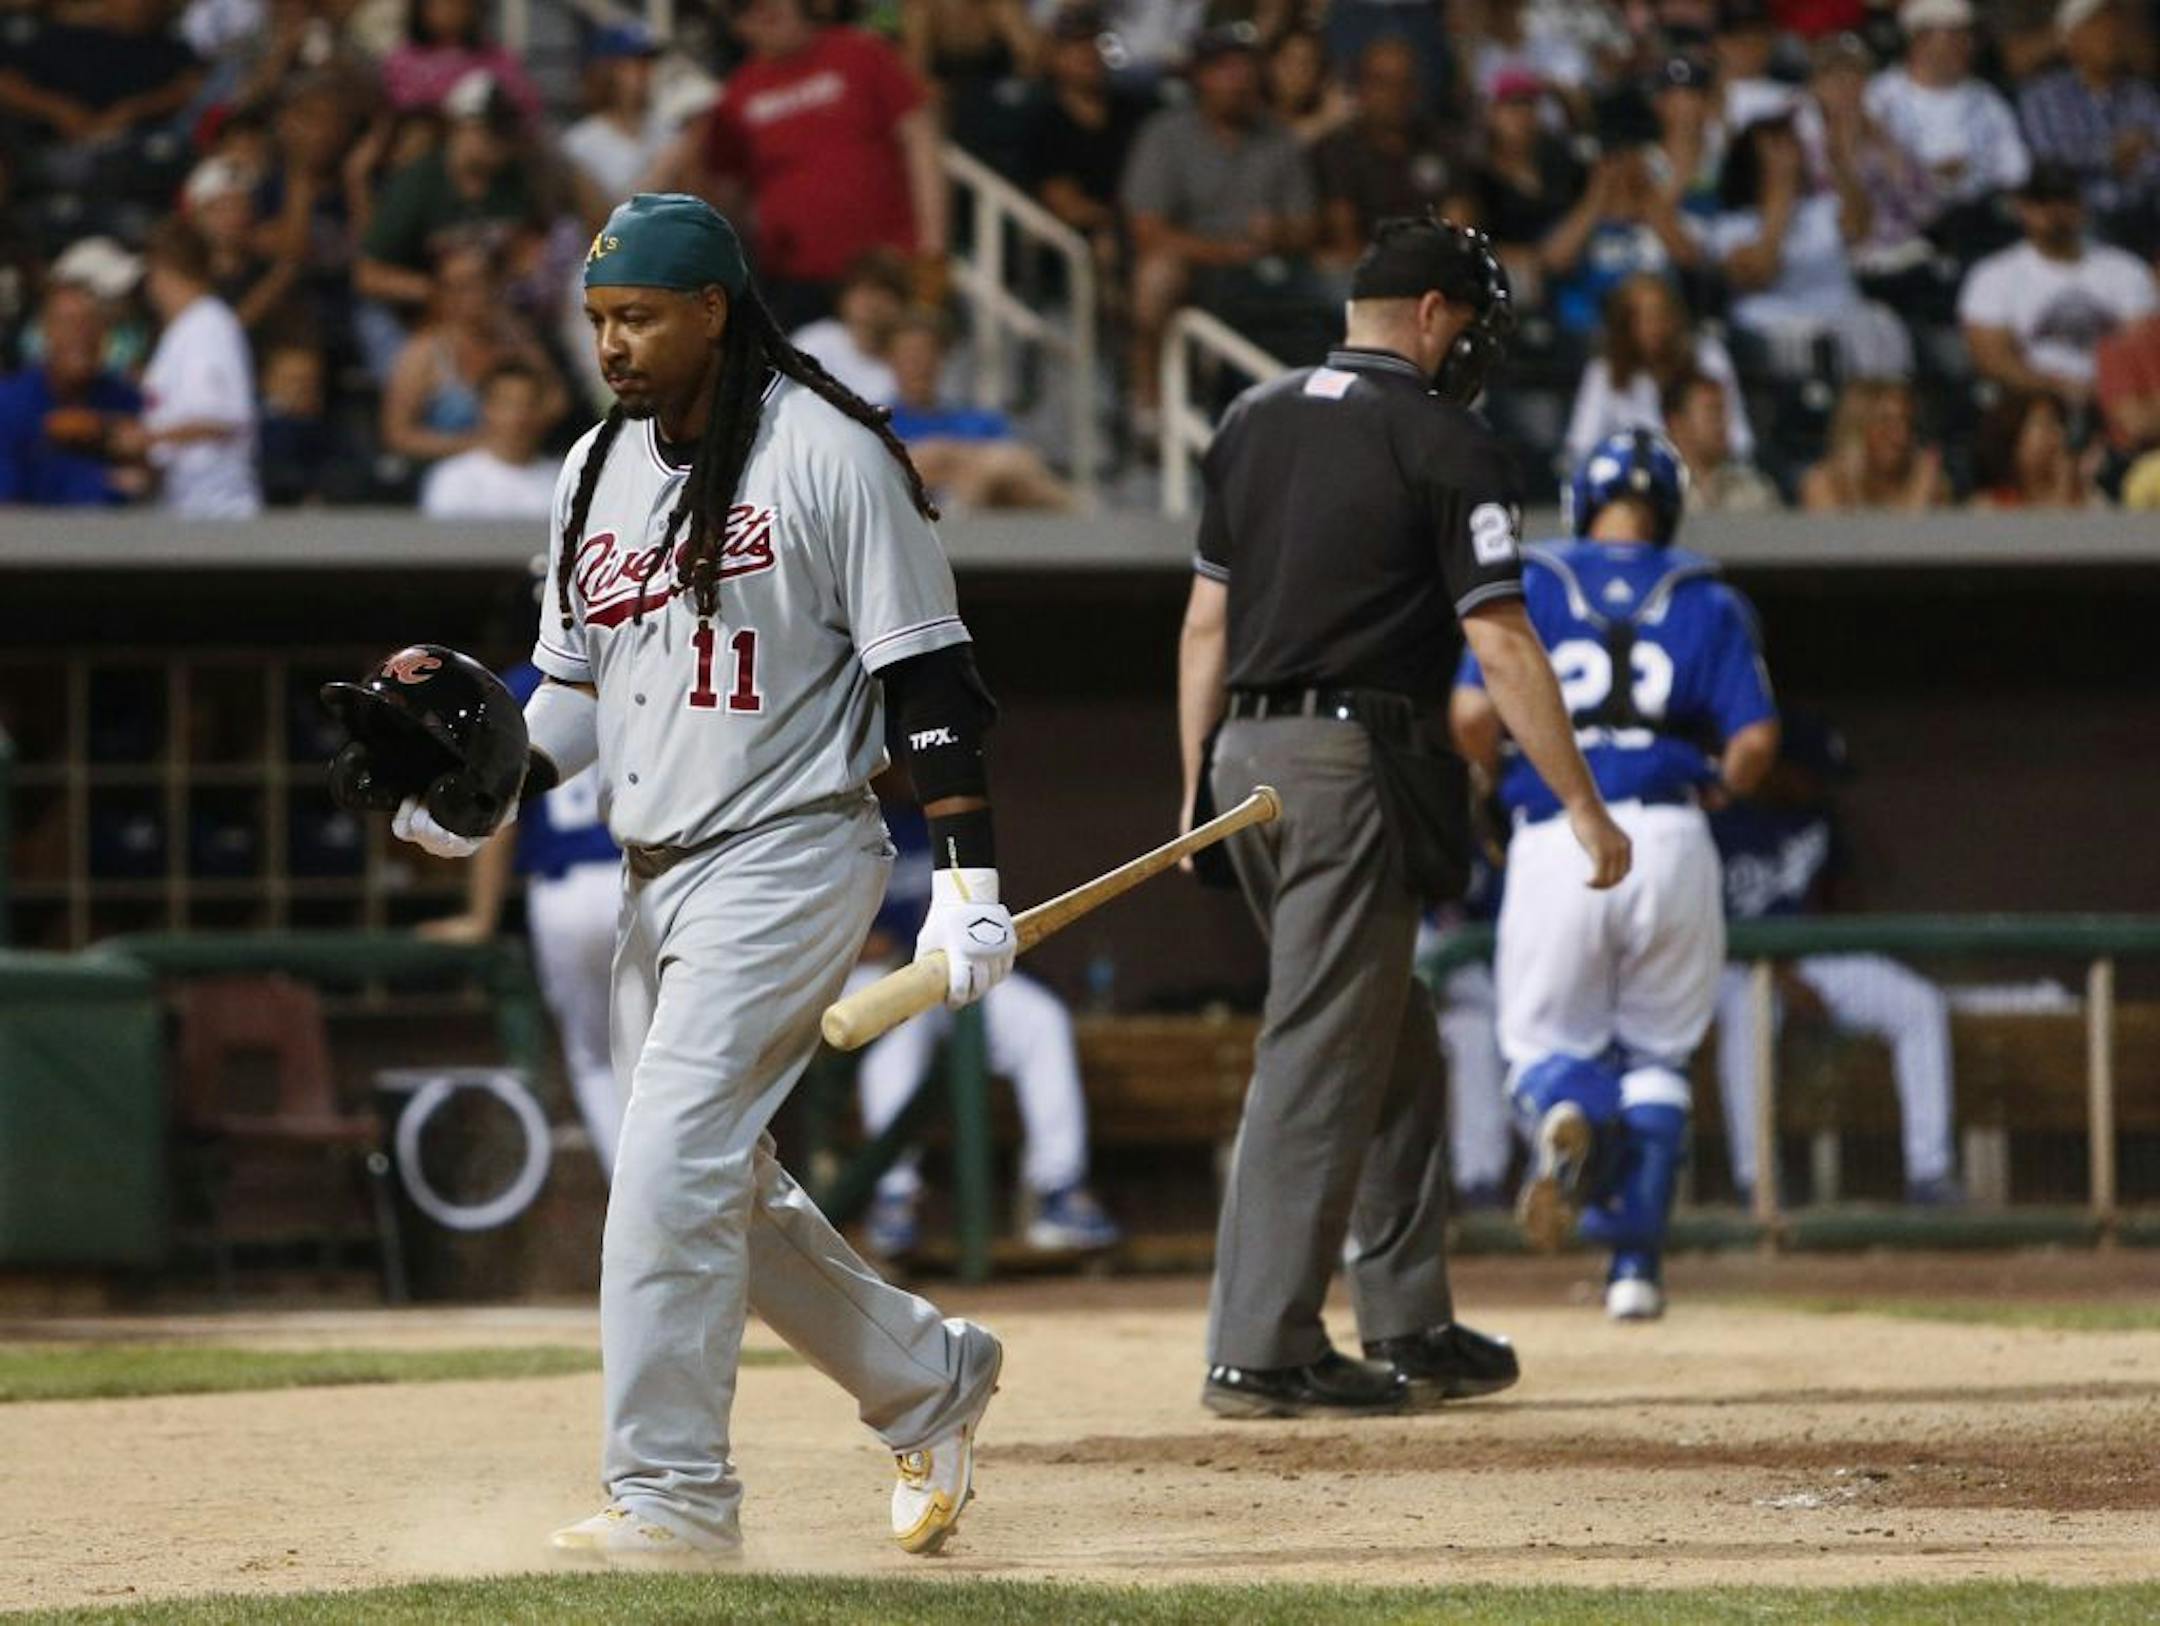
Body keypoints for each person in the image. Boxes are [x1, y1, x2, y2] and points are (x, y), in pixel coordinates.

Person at [387, 193, 1007, 1561]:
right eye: (600, 318)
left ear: (715, 308)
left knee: (666, 1163)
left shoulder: (831, 451)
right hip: (651, 870)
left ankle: (671, 1499)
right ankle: (927, 1374)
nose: (611, 342)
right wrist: (475, 793)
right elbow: (571, 693)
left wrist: (967, 871)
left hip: (793, 847)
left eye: (641, 316)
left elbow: (930, 673)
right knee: (710, 1176)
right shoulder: (594, 466)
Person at [1177, 216, 1628, 1416]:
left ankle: (1409, 1319)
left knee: (1395, 1037)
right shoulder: (1445, 435)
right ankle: (1259, 1346)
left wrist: (1194, 782)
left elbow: (1206, 627)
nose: (1474, 344)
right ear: (1433, 313)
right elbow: (1499, 634)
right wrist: (1582, 807)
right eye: (1470, 320)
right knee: (1322, 1046)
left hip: (1246, 754)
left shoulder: (1249, 419)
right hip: (1344, 760)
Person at [1451, 430, 1779, 1320]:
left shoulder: (1537, 577)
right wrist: (1718, 790)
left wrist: (1489, 779)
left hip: (1560, 826)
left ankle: (1567, 1112)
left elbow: (1473, 712)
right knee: (1660, 1057)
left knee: (1540, 1051)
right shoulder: (1706, 592)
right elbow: (1754, 742)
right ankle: (1636, 1274)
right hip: (1670, 833)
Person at [846, 803, 1120, 1258]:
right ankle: (893, 1194)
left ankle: (1059, 1190)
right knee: (896, 1028)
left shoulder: (943, 816)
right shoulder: (840, 819)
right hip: (878, 973)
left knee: (1041, 1019)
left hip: (949, 965)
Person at [1710, 715, 1961, 1206]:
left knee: (1919, 1003)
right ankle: (1756, 1182)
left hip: (1810, 960)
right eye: (1812, 775)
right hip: (1732, 967)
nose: (1820, 787)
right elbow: (1698, 927)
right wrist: (1778, 975)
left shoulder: (1820, 819)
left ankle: (1929, 1175)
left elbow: (1848, 907)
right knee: (1749, 1012)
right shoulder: (1718, 821)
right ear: (1777, 769)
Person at [420, 658, 628, 1177]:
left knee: (597, 1063)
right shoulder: (639, 661)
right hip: (645, 879)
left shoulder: (516, 689)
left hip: (567, 891)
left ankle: (642, 1208)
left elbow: (499, 814)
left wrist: (479, 918)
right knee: (660, 1056)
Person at [657, 0, 948, 329]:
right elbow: (728, 202)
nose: (761, 11)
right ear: (736, 27)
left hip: (886, 267)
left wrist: (932, 245)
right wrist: (691, 152)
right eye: (743, 8)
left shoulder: (861, 51)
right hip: (797, 281)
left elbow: (920, 140)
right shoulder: (736, 96)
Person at [1120, 24, 1325, 425]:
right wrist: (1223, 252)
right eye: (1223, 69)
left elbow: (1308, 227)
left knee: (1337, 287)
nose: (1236, 80)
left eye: (1244, 68)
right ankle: (1146, 401)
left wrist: (1281, 232)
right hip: (1194, 261)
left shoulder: (1278, 138)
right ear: (1199, 76)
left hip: (1268, 265)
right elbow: (1146, 228)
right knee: (1156, 275)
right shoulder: (1166, 134)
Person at [1705, 111, 1913, 377]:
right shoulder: (1731, 226)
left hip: (1845, 322)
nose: (1789, 153)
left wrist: (1838, 161)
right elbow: (1759, 275)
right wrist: (1780, 200)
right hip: (1779, 333)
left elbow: (1859, 227)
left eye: (1792, 142)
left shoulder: (1821, 209)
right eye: (1777, 145)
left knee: (1883, 323)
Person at [354, 70, 549, 346]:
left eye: (506, 132)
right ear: (460, 126)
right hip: (406, 313)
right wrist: (438, 292)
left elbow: (526, 251)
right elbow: (368, 276)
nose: (501, 143)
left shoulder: (514, 180)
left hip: (484, 309)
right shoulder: (418, 183)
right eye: (491, 130)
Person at [1958, 162, 2158, 409]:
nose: (2055, 211)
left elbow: (2143, 341)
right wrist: (2062, 388)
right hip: (2040, 403)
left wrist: (2112, 390)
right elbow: (1992, 359)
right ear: (2023, 208)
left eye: (2065, 200)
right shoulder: (1993, 276)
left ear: (2081, 204)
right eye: (2043, 202)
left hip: (2123, 401)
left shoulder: (2125, 268)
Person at [114, 219, 261, 519]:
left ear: (163, 269)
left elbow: (222, 417)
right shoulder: (184, 329)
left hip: (218, 516)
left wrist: (145, 439)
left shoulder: (209, 324)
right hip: (185, 512)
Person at [382, 243, 569, 465]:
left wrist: (520, 428)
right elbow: (398, 435)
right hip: (445, 476)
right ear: (442, 293)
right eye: (457, 287)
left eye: (477, 283)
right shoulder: (423, 354)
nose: (469, 295)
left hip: (515, 466)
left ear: (494, 285)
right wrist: (477, 445)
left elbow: (556, 400)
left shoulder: (517, 341)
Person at [1863, 0, 2029, 236]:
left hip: (1976, 220)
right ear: (1918, 42)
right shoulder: (1878, 96)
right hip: (1903, 225)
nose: (1963, 47)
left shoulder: (1986, 99)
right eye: (1950, 38)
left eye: (1965, 37)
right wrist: (1927, 174)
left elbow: (2015, 172)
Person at [884, 313, 1077, 511]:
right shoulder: (878, 423)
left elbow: (1020, 464)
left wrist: (952, 460)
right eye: (910, 355)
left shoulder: (979, 421)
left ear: (942, 359)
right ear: (891, 360)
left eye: (928, 354)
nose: (920, 364)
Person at [2015, 0, 2160, 256]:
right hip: (2081, 214)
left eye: (2115, 28)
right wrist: (2110, 155)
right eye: (2097, 28)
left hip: (2144, 211)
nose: (2111, 36)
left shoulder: (2141, 95)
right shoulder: (2043, 95)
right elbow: (2048, 160)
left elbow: (2154, 158)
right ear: (2071, 40)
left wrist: (2133, 159)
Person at [1564, 273, 1754, 467]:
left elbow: (1739, 437)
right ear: (1624, 325)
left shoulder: (1708, 356)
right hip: (1630, 482)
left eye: (1661, 316)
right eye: (1642, 318)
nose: (1654, 327)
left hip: (1707, 477)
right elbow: (1581, 447)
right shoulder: (1603, 371)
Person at [1313, 38, 1465, 275]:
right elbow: (1344, 233)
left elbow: (1458, 225)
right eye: (1382, 82)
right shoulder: (1339, 150)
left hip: (1436, 270)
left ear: (1416, 89)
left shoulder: (1442, 145)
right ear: (1361, 88)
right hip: (1365, 272)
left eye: (1404, 82)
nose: (1395, 94)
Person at [0, 283, 144, 506]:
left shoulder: (125, 400)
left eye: (90, 324)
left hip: (116, 535)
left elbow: (147, 481)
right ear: (47, 332)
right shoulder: (10, 402)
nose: (80, 335)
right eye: (68, 323)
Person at [421, 361, 563, 518]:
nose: (519, 416)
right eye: (508, 404)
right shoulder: (453, 478)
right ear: (486, 409)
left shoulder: (563, 479)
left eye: (529, 404)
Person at [562, 24, 673, 211]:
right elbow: (601, 222)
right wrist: (666, 167)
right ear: (607, 71)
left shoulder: (669, 130)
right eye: (635, 65)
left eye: (648, 65)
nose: (646, 74)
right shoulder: (580, 142)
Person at [380, 0, 545, 125]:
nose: (450, 12)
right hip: (427, 140)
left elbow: (525, 102)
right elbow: (399, 102)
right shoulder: (404, 58)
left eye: (458, 4)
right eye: (440, 4)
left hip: (490, 140)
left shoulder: (495, 57)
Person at [1799, 375, 1950, 508]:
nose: (1901, 437)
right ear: (1856, 427)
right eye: (1885, 423)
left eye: (1908, 423)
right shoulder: (1823, 484)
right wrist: (1853, 490)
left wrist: (1922, 493)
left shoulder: (1930, 482)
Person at [787, 250, 912, 406]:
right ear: (844, 296)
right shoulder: (815, 342)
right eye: (861, 289)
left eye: (884, 293)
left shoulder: (910, 359)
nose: (871, 302)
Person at [1664, 368, 1783, 511]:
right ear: (1677, 423)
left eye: (1723, 413)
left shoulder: (1754, 489)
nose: (1722, 424)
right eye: (1711, 413)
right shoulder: (1656, 493)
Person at [1968, 388, 2103, 507]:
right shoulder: (1988, 507)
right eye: (2046, 425)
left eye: (2060, 424)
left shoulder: (2087, 499)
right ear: (2014, 438)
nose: (2059, 435)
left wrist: (2066, 495)